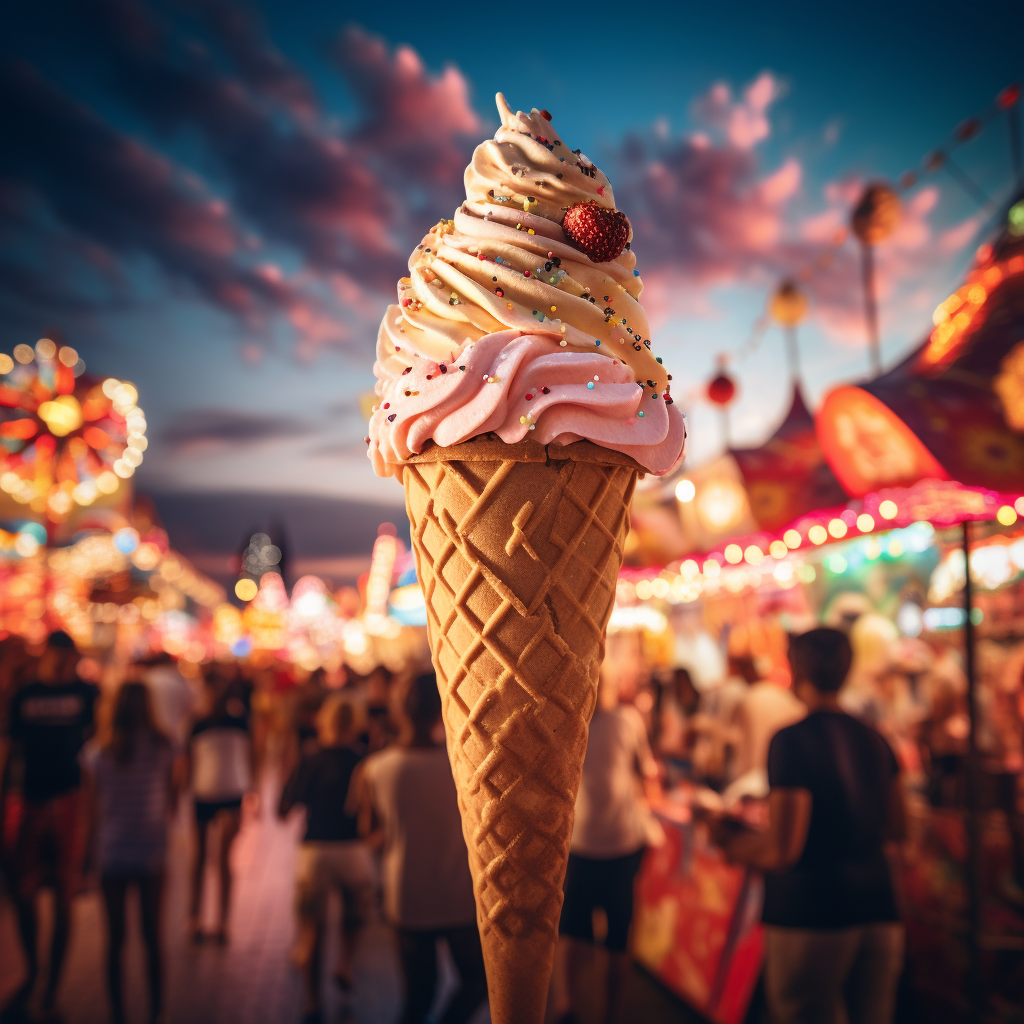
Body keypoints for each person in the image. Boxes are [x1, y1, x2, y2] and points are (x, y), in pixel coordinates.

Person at [709, 628, 907, 1024]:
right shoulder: (877, 740)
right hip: (880, 910)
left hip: (812, 913)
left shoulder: (792, 741)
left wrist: (729, 842)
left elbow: (783, 848)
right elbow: (901, 831)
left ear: (796, 668)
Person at [355, 673, 485, 1024]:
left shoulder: (376, 768)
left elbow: (369, 834)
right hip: (459, 895)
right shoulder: (464, 767)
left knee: (417, 997)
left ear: (398, 711)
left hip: (406, 896)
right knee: (478, 981)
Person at [2, 630, 98, 1021]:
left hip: (69, 799)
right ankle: (33, 969)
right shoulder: (24, 694)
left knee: (63, 893)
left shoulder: (87, 694)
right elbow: (10, 749)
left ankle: (52, 984)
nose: (63, 664)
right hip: (29, 798)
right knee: (22, 892)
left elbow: (95, 752)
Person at [556, 665, 659, 1024]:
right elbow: (646, 771)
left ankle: (567, 1008)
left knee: (572, 931)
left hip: (580, 842)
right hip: (621, 842)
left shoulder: (566, 724)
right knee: (618, 936)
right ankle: (610, 1015)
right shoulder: (628, 720)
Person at [82, 682, 176, 1024]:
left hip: (111, 849)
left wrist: (87, 856)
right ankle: (158, 1011)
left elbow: (92, 809)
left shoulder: (97, 752)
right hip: (151, 848)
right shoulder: (164, 746)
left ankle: (117, 1013)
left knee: (115, 940)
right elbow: (171, 798)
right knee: (153, 937)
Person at [279, 693, 373, 1023]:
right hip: (353, 850)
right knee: (355, 914)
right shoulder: (364, 760)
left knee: (310, 931)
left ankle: (311, 1001)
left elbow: (284, 808)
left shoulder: (311, 758)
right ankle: (346, 963)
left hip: (315, 851)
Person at [187, 674, 256, 943]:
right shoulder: (240, 722)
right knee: (223, 860)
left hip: (203, 791)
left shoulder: (198, 724)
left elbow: (188, 761)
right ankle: (222, 922)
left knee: (200, 858)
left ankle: (195, 919)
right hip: (231, 791)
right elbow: (252, 756)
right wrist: (253, 787)